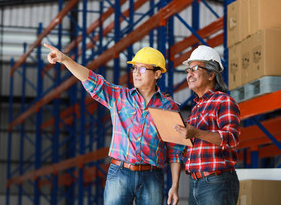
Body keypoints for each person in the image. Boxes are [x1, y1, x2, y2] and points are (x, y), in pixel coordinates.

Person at [44, 43, 184, 205]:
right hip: (120, 173)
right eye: (134, 68)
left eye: (143, 69)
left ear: (157, 74)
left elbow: (175, 150)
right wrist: (66, 60)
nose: (136, 73)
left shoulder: (168, 106)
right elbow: (90, 79)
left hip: (152, 176)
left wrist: (174, 186)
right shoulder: (120, 97)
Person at [174, 45, 241, 205]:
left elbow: (232, 139)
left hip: (216, 181)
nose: (189, 74)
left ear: (211, 74)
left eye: (195, 68)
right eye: (188, 70)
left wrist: (196, 133)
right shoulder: (197, 107)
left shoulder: (223, 101)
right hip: (196, 181)